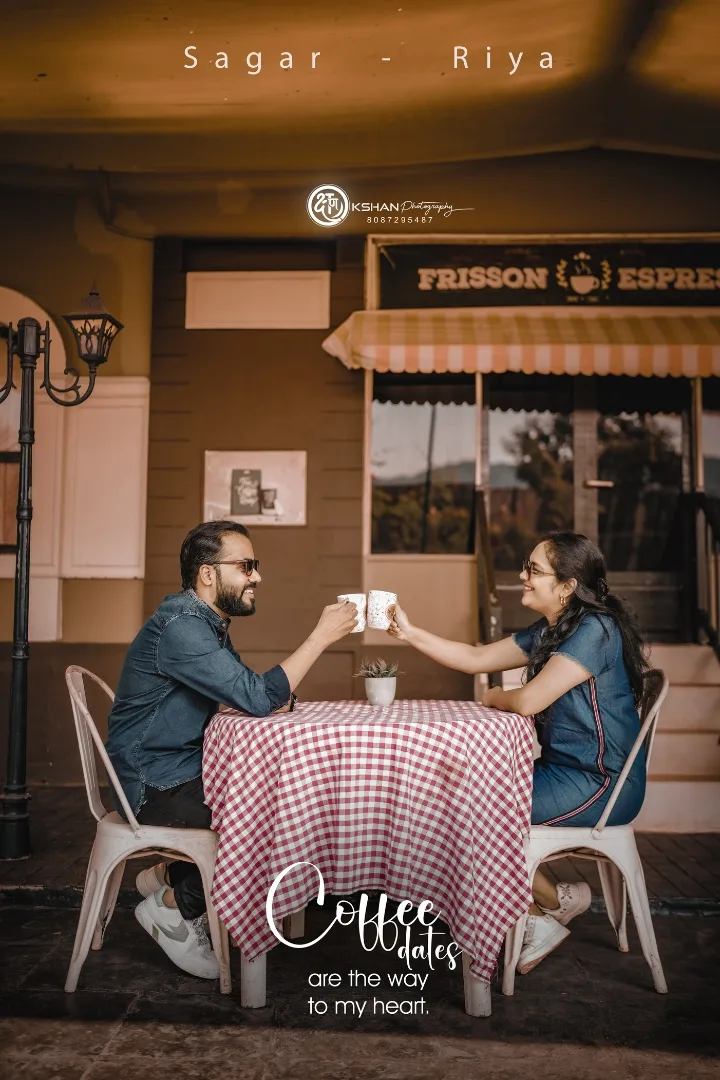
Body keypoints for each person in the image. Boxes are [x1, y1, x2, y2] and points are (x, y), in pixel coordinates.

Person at [386, 531, 650, 975]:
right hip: (564, 771)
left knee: (464, 812)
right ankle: (554, 898)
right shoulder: (555, 628)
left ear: (567, 586)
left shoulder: (595, 630)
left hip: (601, 782)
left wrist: (491, 697)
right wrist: (410, 633)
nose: (522, 576)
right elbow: (475, 658)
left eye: (534, 570)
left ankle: (536, 921)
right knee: (453, 796)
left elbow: (528, 701)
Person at [106, 520, 358, 979]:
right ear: (208, 573)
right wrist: (320, 637)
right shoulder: (182, 627)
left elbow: (249, 692)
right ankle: (173, 907)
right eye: (246, 566)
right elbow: (258, 698)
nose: (257, 576)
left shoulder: (205, 623)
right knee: (273, 815)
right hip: (150, 782)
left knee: (280, 797)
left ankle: (171, 877)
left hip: (179, 768)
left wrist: (265, 695)